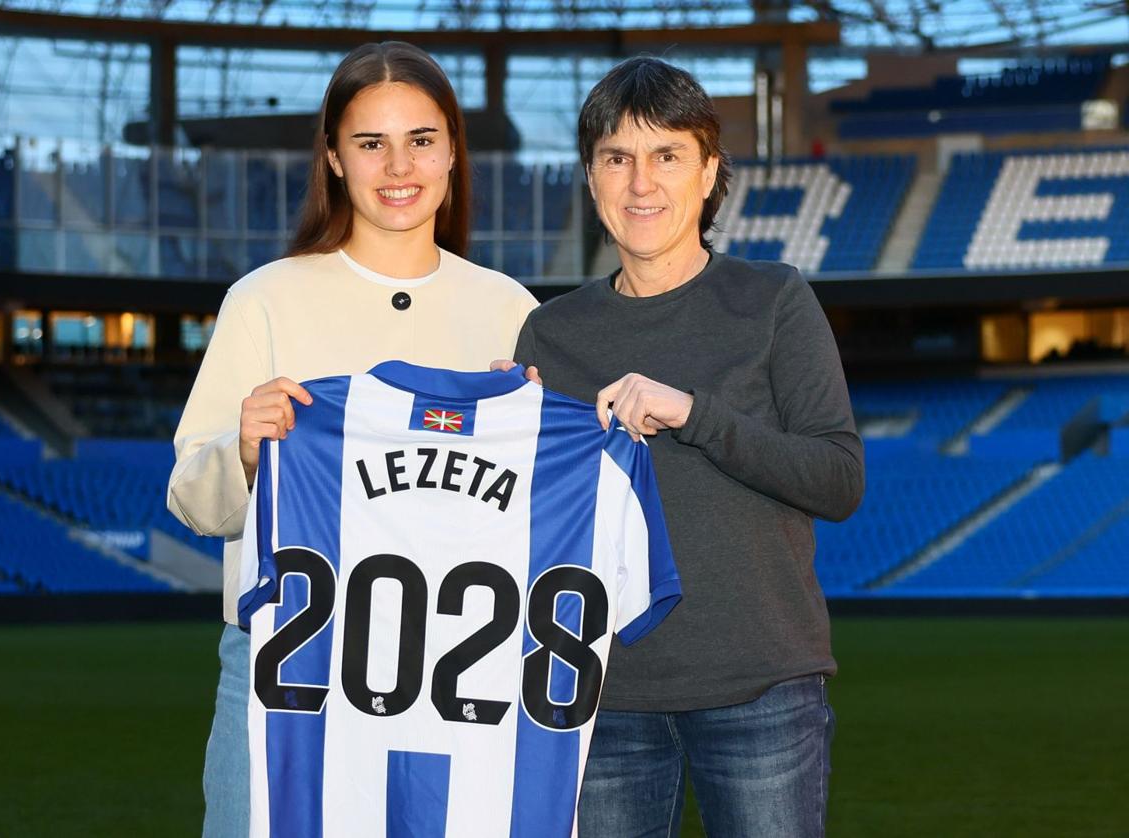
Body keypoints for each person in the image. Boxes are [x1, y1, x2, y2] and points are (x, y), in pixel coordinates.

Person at [166, 41, 538, 838]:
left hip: (451, 680)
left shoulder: (511, 310)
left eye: (421, 139)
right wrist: (242, 451)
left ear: (451, 154)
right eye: (370, 143)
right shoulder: (265, 300)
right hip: (282, 668)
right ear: (334, 157)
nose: (397, 165)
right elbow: (192, 501)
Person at [505, 57, 864, 837]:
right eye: (617, 158)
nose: (641, 184)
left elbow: (838, 481)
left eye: (667, 155)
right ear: (592, 180)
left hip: (761, 686)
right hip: (600, 696)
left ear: (709, 173)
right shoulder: (550, 333)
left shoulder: (773, 300)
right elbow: (530, 522)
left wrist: (696, 414)